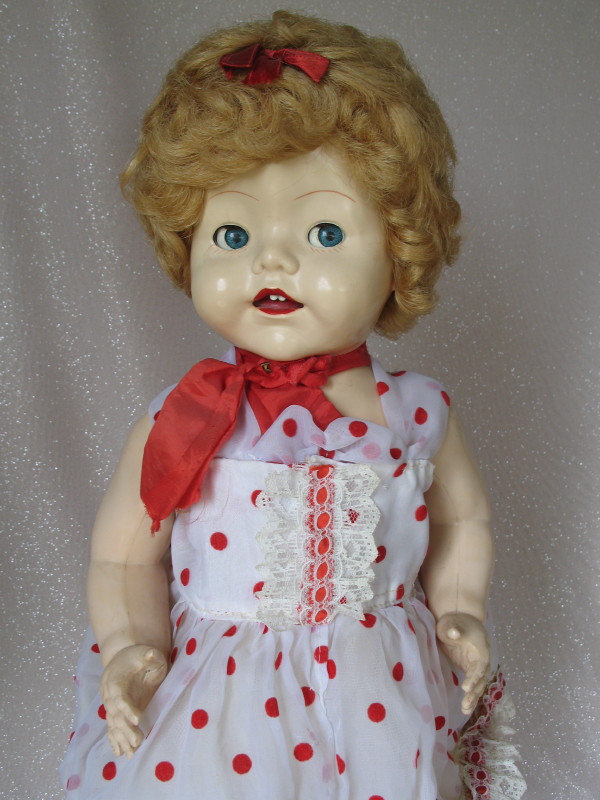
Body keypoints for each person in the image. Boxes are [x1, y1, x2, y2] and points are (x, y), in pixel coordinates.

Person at [60, 11, 525, 799]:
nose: (273, 257)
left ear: (400, 249)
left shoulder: (417, 414)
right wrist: (131, 642)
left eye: (325, 233)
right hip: (217, 707)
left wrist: (461, 608)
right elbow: (123, 556)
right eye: (233, 235)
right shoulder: (186, 414)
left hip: (379, 699)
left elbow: (464, 521)